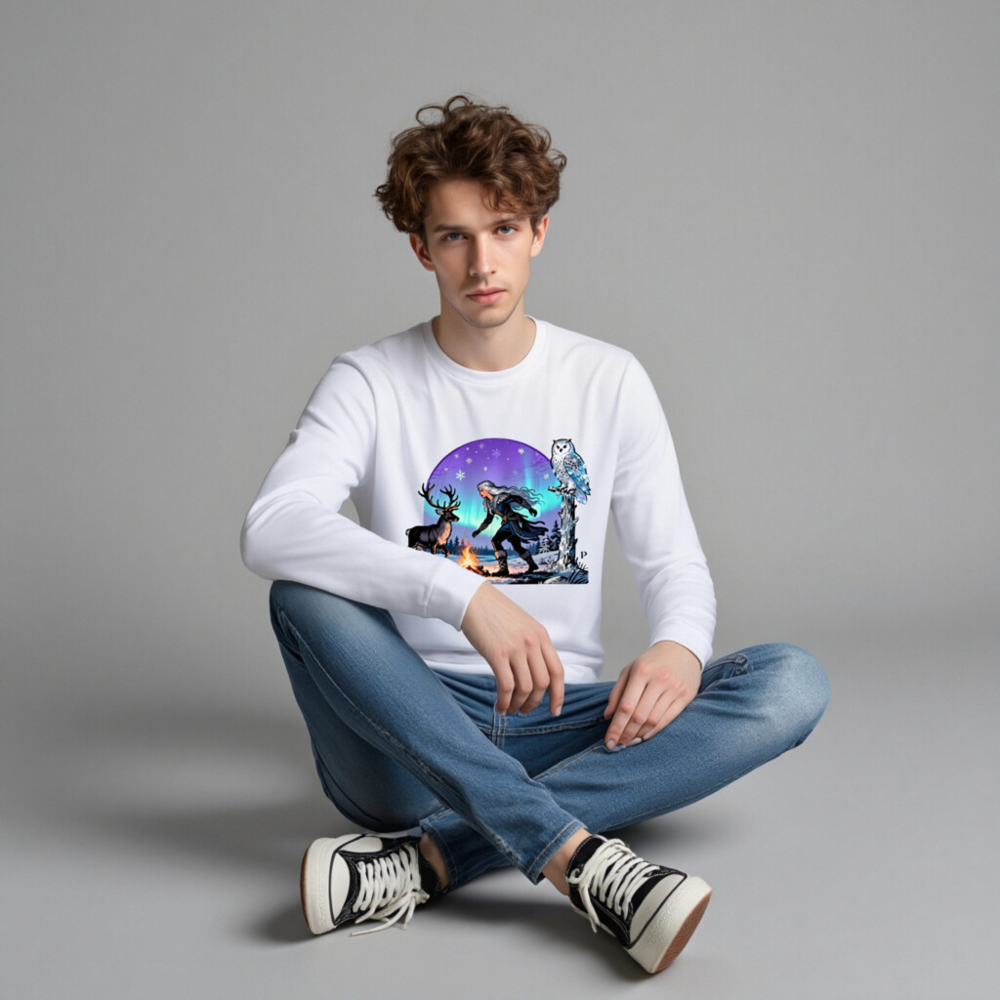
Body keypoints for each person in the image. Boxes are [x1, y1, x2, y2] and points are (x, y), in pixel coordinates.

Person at [240, 95, 829, 975]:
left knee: (790, 682)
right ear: (421, 248)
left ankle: (430, 861)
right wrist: (463, 595)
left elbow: (673, 561)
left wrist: (678, 646)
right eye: (454, 237)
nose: (482, 263)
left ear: (539, 233)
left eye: (504, 230)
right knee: (302, 595)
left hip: (565, 720)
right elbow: (272, 527)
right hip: (404, 734)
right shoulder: (369, 380)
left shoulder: (608, 379)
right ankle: (578, 855)